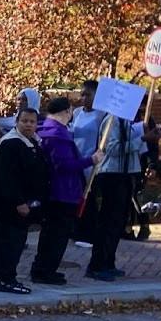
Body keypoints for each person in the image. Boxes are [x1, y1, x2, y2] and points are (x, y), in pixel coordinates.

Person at [30, 96, 99, 285]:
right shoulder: (58, 135)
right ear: (66, 111)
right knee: (58, 235)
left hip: (50, 190)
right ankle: (46, 270)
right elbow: (64, 165)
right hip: (63, 191)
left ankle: (42, 267)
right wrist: (90, 160)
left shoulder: (43, 130)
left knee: (49, 233)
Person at [0, 106, 47, 294]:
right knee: (10, 241)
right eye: (24, 121)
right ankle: (5, 278)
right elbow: (6, 177)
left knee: (6, 239)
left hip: (23, 202)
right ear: (17, 122)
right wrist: (18, 202)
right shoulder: (11, 144)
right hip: (11, 205)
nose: (28, 125)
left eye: (32, 122)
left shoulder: (32, 143)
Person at [84, 104, 144, 282]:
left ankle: (109, 262)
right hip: (111, 175)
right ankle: (97, 265)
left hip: (125, 174)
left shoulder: (126, 121)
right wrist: (141, 140)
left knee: (118, 222)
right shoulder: (112, 120)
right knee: (107, 222)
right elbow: (112, 149)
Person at [70, 80, 102, 247]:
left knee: (89, 199)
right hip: (77, 160)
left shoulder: (101, 115)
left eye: (87, 95)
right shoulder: (77, 113)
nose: (83, 98)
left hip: (92, 162)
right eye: (82, 94)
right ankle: (76, 231)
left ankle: (89, 234)